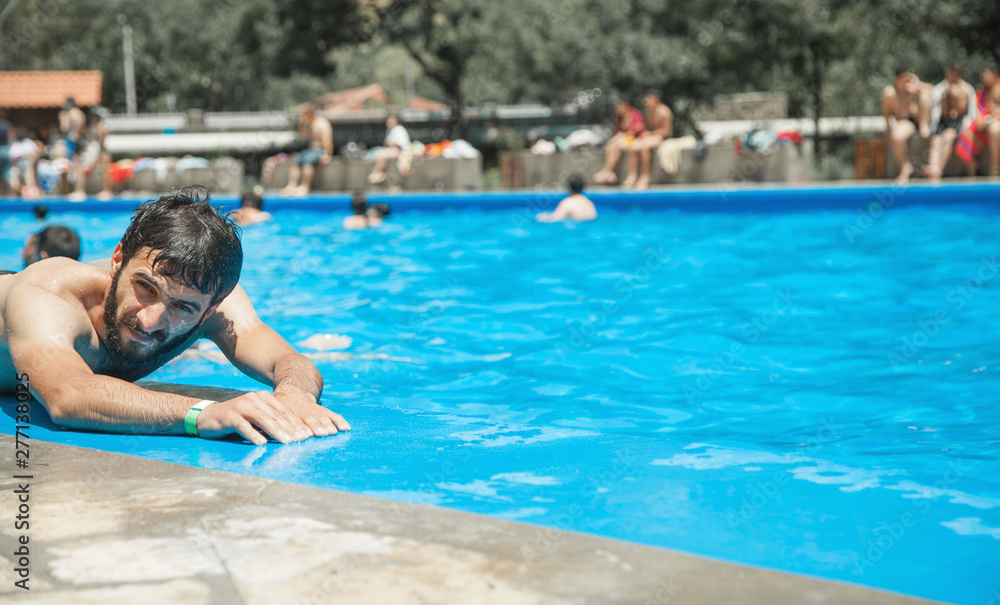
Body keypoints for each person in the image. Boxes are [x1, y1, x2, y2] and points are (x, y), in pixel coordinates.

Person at [0, 186, 349, 445]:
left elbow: (287, 360)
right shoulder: (47, 291)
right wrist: (203, 412)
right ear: (118, 258)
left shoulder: (210, 300)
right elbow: (66, 395)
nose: (151, 321)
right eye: (145, 288)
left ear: (209, 310)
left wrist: (294, 396)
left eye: (182, 308)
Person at [924, 65, 977, 181]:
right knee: (936, 141)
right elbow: (940, 110)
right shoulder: (941, 89)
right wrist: (946, 96)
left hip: (958, 123)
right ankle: (933, 168)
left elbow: (970, 113)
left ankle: (937, 170)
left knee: (948, 137)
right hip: (943, 121)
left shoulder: (967, 90)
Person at [882, 69, 933, 184]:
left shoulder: (913, 88)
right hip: (905, 121)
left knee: (925, 94)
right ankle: (906, 167)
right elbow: (887, 113)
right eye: (903, 78)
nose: (906, 81)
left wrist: (918, 85)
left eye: (907, 78)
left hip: (919, 118)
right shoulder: (890, 93)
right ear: (897, 79)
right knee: (896, 137)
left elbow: (934, 91)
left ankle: (924, 125)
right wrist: (887, 129)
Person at [956, 65, 1000, 177]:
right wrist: (980, 120)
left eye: (986, 74)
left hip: (995, 122)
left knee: (995, 129)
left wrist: (989, 119)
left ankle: (994, 167)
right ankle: (972, 166)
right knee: (965, 131)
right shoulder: (982, 90)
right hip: (985, 123)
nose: (983, 77)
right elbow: (977, 108)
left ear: (995, 75)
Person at [281, 103, 333, 196]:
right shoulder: (309, 124)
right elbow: (302, 138)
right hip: (311, 150)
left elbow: (327, 139)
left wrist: (327, 154)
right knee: (295, 161)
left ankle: (305, 186)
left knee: (307, 163)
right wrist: (301, 126)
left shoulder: (322, 123)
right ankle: (292, 185)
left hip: (320, 150)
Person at [593, 99, 647, 186]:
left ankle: (608, 171)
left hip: (634, 139)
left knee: (617, 144)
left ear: (625, 106)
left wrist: (622, 135)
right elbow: (617, 132)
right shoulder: (619, 117)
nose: (618, 109)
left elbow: (637, 129)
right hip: (624, 139)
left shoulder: (635, 114)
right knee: (610, 146)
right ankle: (609, 171)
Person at [626, 90, 674, 190]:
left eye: (649, 98)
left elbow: (666, 132)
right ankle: (632, 175)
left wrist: (651, 134)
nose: (646, 101)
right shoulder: (649, 112)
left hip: (661, 137)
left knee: (644, 146)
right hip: (651, 137)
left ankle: (645, 176)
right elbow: (648, 129)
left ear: (656, 99)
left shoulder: (665, 112)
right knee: (634, 145)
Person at [68, 107, 114, 202]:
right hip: (101, 151)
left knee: (102, 172)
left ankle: (104, 191)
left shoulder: (100, 127)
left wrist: (100, 154)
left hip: (101, 151)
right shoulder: (99, 127)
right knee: (104, 172)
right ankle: (106, 191)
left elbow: (101, 142)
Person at [367, 114, 412, 184]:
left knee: (382, 154)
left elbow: (402, 145)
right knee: (380, 153)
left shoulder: (398, 129)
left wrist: (391, 143)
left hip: (402, 151)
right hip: (394, 150)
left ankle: (379, 174)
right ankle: (379, 174)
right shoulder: (389, 130)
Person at [0, 109, 14, 195]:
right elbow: (11, 136)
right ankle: (11, 192)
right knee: (7, 172)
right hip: (6, 150)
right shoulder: (7, 125)